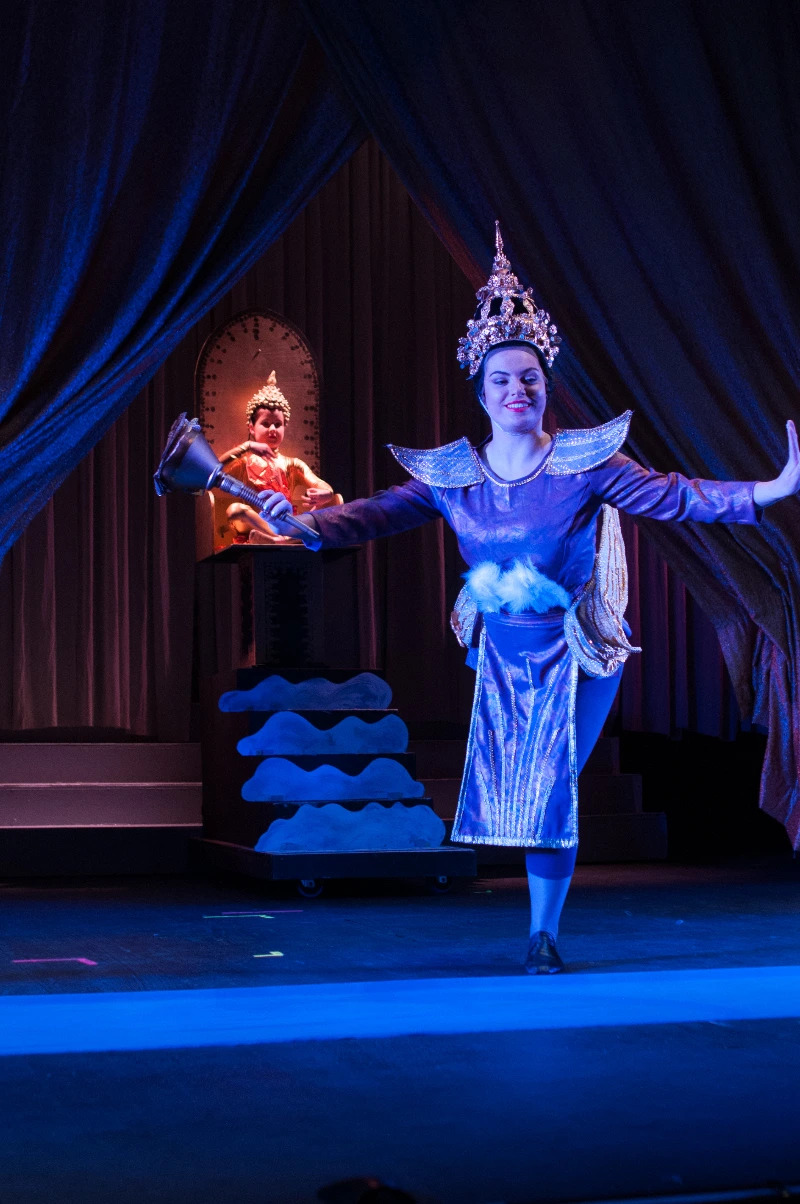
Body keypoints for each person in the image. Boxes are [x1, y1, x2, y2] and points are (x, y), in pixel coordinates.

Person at [258, 225, 800, 973]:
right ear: (481, 393)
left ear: (546, 387)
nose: (518, 390)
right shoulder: (454, 477)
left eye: (531, 378)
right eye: (503, 380)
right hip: (504, 652)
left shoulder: (584, 464)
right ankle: (541, 926)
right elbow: (372, 515)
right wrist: (303, 523)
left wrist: (769, 490)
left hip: (577, 646)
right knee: (532, 786)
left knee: (553, 781)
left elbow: (673, 496)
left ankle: (543, 933)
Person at [217, 369, 341, 545]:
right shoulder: (243, 462)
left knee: (329, 511)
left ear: (285, 426)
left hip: (286, 523)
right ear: (251, 427)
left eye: (278, 424)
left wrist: (326, 493)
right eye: (265, 424)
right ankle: (283, 539)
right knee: (235, 511)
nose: (272, 430)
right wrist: (246, 447)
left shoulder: (292, 464)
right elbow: (213, 471)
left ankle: (279, 539)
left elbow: (322, 485)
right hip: (256, 525)